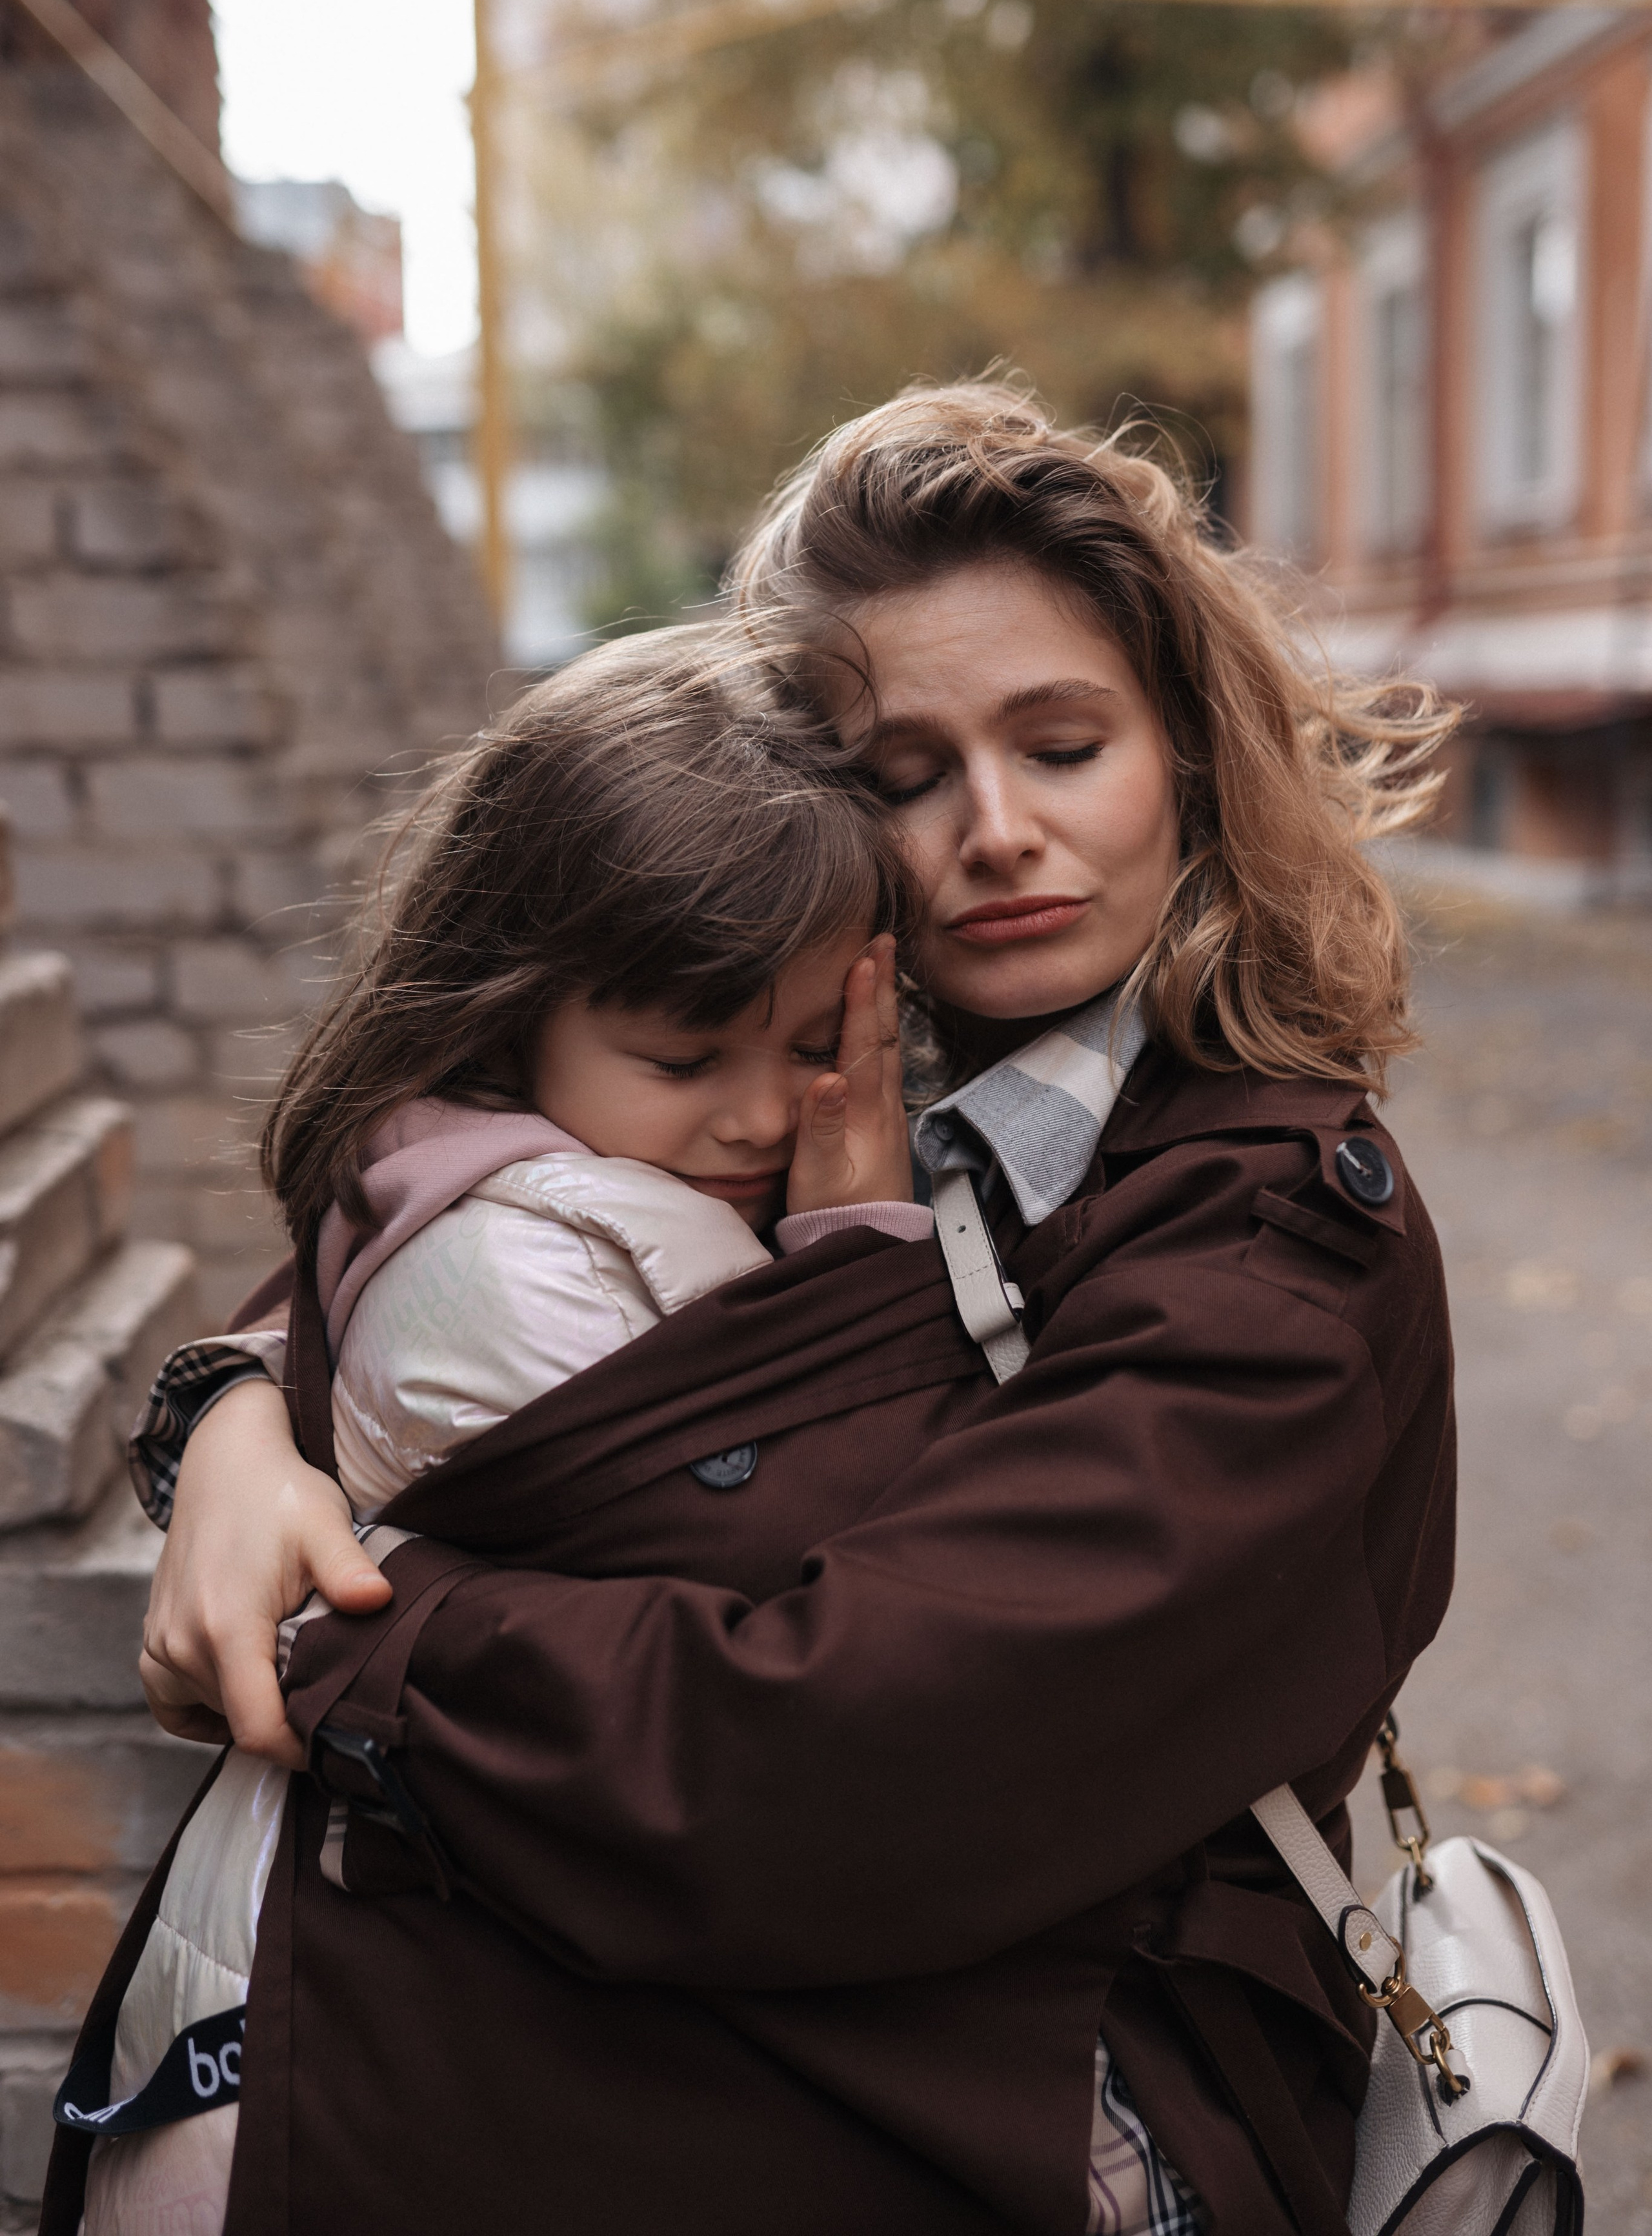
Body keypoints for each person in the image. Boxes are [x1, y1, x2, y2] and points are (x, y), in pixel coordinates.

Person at [48, 383, 1458, 2236]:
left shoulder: (1268, 1243)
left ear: (1188, 756)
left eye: (1062, 745)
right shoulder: (862, 1063)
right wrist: (231, 1414)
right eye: (906, 774)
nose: (998, 830)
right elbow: (497, 1251)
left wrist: (353, 1633)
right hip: (824, 2026)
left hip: (1076, 2086)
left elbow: (835, 1766)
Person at [64, 631, 926, 2235]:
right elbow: (837, 1570)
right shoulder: (515, 1266)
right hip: (347, 2083)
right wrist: (863, 1245)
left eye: (814, 1046)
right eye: (685, 1060)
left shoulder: (580, 1187)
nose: (756, 1115)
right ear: (509, 1007)